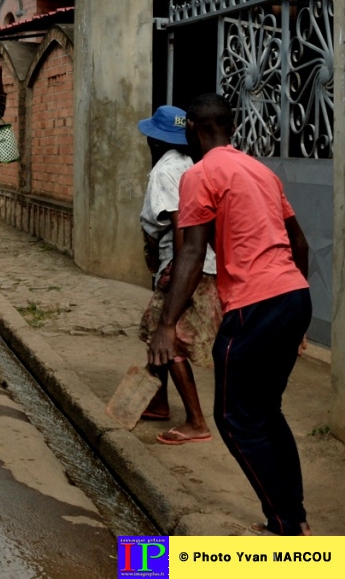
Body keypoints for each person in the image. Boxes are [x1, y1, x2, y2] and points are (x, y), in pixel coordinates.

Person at [150, 93, 312, 536]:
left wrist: (167, 325)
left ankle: (285, 527)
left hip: (253, 305)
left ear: (195, 132)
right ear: (231, 128)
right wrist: (294, 317)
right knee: (266, 411)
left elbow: (190, 252)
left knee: (235, 419)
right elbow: (300, 245)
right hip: (293, 298)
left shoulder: (200, 174)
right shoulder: (261, 171)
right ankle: (293, 517)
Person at [135, 105, 222, 446]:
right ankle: (156, 401)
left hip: (185, 265)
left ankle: (196, 420)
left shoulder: (165, 170)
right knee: (155, 328)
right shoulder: (192, 165)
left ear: (155, 142)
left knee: (168, 338)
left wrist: (173, 271)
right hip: (203, 264)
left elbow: (179, 224)